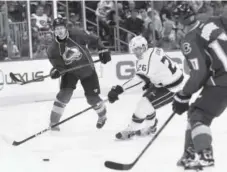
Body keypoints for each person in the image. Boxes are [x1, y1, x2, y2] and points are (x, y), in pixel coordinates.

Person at [171, 2, 227, 169]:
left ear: (178, 22)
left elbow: (199, 71)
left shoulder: (189, 40)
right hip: (220, 78)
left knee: (199, 116)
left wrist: (184, 94)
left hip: (222, 81)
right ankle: (188, 154)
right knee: (194, 111)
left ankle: (205, 155)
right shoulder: (214, 20)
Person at [107, 35, 184, 140]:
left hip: (173, 87)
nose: (135, 52)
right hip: (166, 82)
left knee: (143, 105)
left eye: (137, 49)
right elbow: (158, 69)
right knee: (146, 102)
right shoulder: (154, 50)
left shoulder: (146, 59)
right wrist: (151, 79)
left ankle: (131, 130)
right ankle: (151, 125)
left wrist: (119, 89)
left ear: (143, 47)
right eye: (133, 50)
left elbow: (139, 80)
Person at [47, 17, 111, 131]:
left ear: (66, 28)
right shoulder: (52, 49)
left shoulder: (77, 33)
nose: (60, 31)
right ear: (54, 31)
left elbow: (95, 39)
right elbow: (60, 66)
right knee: (64, 95)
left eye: (61, 28)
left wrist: (103, 49)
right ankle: (53, 123)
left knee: (92, 99)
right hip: (70, 71)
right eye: (57, 29)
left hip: (86, 69)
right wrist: (56, 71)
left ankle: (102, 115)